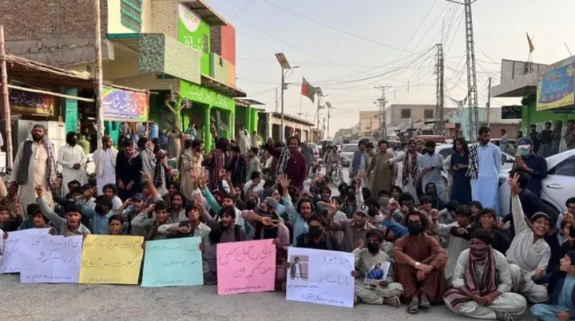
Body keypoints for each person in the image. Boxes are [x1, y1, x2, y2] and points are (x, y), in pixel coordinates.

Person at [444, 228, 527, 321]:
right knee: (449, 298)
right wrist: (473, 296)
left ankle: (480, 308)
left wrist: (491, 296)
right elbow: (457, 279)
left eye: (478, 243)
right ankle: (497, 315)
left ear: (487, 245)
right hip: (469, 293)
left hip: (492, 293)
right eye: (472, 242)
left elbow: (506, 283)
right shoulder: (465, 254)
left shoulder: (498, 257)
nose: (474, 246)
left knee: (521, 302)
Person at [393, 210, 448, 314]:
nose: (413, 224)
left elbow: (443, 254)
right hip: (410, 270)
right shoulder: (402, 240)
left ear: (422, 223)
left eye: (416, 222)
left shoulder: (429, 239)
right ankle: (413, 298)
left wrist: (428, 268)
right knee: (401, 263)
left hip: (425, 272)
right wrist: (417, 265)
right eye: (411, 222)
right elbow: (396, 253)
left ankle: (424, 295)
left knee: (438, 261)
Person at [506, 173, 550, 303]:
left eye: (546, 224)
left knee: (542, 294)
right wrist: (514, 193)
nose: (542, 226)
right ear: (532, 223)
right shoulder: (522, 229)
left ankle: (517, 293)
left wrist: (538, 275)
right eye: (539, 222)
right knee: (514, 270)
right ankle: (511, 294)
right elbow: (517, 210)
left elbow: (541, 269)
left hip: (526, 280)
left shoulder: (545, 247)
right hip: (510, 273)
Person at [12, 124, 57, 218]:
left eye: (40, 131)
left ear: (44, 133)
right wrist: (13, 180)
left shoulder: (49, 146)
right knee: (26, 202)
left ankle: (45, 224)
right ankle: (26, 224)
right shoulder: (24, 145)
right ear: (32, 132)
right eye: (35, 130)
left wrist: (55, 179)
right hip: (27, 181)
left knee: (45, 201)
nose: (37, 133)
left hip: (43, 181)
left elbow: (53, 164)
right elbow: (17, 162)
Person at [354, 229, 403, 307]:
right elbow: (351, 261)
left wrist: (387, 281)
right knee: (353, 286)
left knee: (399, 288)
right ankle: (384, 300)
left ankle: (362, 297)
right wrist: (359, 247)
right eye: (369, 240)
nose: (371, 242)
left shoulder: (385, 257)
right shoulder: (362, 252)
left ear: (380, 243)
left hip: (378, 285)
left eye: (375, 241)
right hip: (362, 282)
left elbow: (390, 276)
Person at [531, 251, 575, 321]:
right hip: (557, 309)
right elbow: (542, 280)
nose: (561, 260)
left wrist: (569, 314)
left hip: (571, 313)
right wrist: (537, 276)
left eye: (566, 259)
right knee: (536, 308)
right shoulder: (559, 274)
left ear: (573, 268)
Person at [469, 127, 501, 210]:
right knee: (476, 202)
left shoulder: (495, 149)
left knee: (490, 202)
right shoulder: (473, 148)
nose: (487, 138)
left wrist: (493, 177)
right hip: (476, 180)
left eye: (488, 136)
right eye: (484, 136)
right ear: (480, 136)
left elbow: (498, 166)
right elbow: (471, 167)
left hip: (490, 180)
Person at [58, 131, 88, 197]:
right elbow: (59, 161)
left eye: (76, 138)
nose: (75, 140)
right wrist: (72, 165)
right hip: (68, 173)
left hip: (79, 172)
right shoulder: (62, 149)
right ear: (69, 139)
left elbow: (85, 158)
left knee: (81, 189)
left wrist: (80, 164)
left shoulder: (79, 148)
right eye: (73, 138)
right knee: (67, 190)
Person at [450, 138, 472, 205]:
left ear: (463, 145)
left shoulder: (469, 155)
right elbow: (452, 167)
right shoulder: (454, 155)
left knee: (466, 199)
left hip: (467, 180)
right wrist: (454, 168)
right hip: (457, 180)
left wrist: (464, 166)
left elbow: (473, 167)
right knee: (455, 198)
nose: (457, 146)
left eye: (459, 144)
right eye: (456, 144)